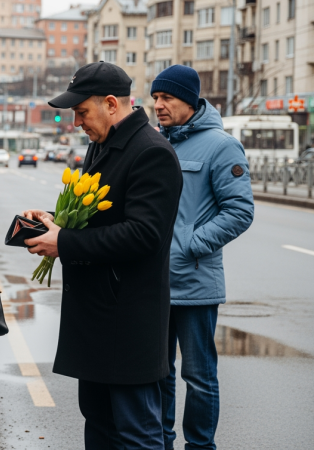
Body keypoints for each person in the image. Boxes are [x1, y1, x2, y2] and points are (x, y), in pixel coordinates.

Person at [23, 62, 182, 449]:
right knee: (99, 425)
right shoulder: (103, 144)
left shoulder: (151, 152)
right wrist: (55, 222)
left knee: (137, 433)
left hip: (126, 322)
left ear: (111, 104)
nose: (76, 123)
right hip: (98, 316)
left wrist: (64, 243)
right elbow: (101, 217)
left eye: (81, 112)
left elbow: (144, 235)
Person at [151, 65, 254, 450]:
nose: (158, 105)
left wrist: (190, 244)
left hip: (195, 283)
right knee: (157, 374)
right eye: (155, 98)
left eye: (167, 98)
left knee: (199, 377)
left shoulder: (221, 146)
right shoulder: (156, 142)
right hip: (155, 282)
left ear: (190, 101)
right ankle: (160, 442)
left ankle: (199, 446)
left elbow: (240, 211)